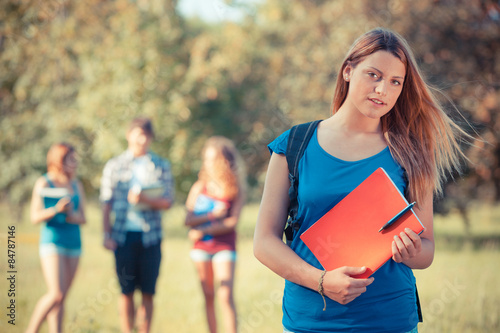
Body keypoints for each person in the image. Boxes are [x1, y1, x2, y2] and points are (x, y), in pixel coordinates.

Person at [254, 28, 468, 333]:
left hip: (390, 320)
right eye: (374, 75)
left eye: (396, 82)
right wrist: (322, 282)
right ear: (348, 71)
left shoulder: (411, 151)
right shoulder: (294, 144)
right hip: (310, 321)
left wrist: (412, 251)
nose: (383, 90)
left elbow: (426, 251)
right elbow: (264, 243)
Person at [100, 117, 174, 333]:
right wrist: (106, 234)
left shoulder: (161, 165)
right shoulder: (114, 165)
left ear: (150, 138)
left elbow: (168, 201)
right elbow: (106, 203)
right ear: (128, 134)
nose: (141, 139)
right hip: (124, 236)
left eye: (146, 134)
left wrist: (144, 199)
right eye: (138, 133)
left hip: (151, 236)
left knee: (149, 291)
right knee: (126, 291)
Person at [184, 136, 246, 333]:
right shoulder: (198, 187)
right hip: (201, 248)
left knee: (225, 294)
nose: (208, 164)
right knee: (208, 294)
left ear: (225, 161)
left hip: (224, 246)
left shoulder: (235, 188)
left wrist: (203, 230)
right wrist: (211, 216)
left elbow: (232, 222)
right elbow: (188, 219)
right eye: (206, 159)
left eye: (213, 159)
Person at [26, 143, 87, 333]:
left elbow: (83, 218)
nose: (75, 163)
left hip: (74, 243)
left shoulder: (76, 185)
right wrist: (55, 210)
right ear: (59, 160)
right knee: (56, 294)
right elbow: (34, 217)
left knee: (62, 297)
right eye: (71, 159)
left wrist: (70, 214)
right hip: (52, 242)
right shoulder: (44, 183)